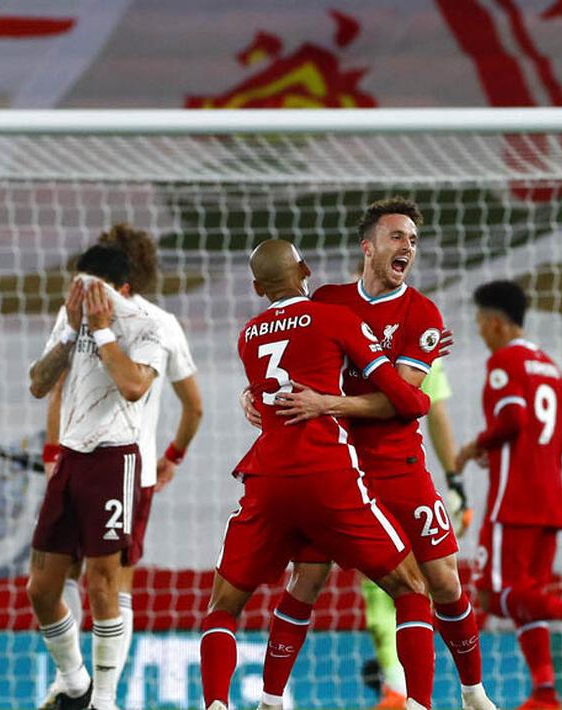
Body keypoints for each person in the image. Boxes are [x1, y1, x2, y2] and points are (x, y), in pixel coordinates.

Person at [244, 198, 494, 710]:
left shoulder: (422, 314)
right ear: (369, 245)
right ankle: (269, 699)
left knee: (442, 580)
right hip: (334, 467)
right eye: (397, 236)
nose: (408, 247)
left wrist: (327, 401)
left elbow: (401, 405)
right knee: (306, 578)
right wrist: (256, 394)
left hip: (396, 465)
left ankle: (473, 693)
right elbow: (285, 361)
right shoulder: (330, 302)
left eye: (413, 241)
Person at [199, 239, 433, 710]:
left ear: (256, 287)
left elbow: (267, 395)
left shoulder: (247, 335)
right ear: (305, 270)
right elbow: (404, 400)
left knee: (227, 605)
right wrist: (418, 399)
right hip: (327, 472)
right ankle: (419, 704)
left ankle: (234, 703)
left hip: (266, 478)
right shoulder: (334, 319)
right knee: (411, 587)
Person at [40, 225, 203, 703]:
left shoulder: (135, 323)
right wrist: (173, 456)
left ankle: (77, 683)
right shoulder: (159, 322)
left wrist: (54, 457)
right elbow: (193, 407)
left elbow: (58, 390)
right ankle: (90, 689)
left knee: (74, 575)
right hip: (134, 471)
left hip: (96, 463)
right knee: (111, 582)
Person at [27, 244, 166, 710]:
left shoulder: (149, 326)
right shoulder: (69, 320)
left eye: (91, 287)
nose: (81, 295)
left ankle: (104, 701)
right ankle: (75, 682)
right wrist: (69, 334)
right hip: (70, 458)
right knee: (42, 588)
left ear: (118, 289)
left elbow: (132, 387)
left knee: (104, 585)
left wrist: (103, 332)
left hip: (114, 460)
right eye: (77, 285)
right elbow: (38, 382)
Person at [454, 280, 562, 710]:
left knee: (491, 594)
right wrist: (517, 447)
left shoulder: (504, 362)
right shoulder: (550, 367)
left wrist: (475, 447)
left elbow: (513, 418)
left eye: (481, 323)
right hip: (551, 501)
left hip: (513, 499)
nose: (480, 332)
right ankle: (544, 693)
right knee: (524, 595)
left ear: (497, 323)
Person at [360, 359, 469, 709]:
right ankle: (417, 691)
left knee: (385, 582)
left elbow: (434, 411)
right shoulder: (422, 338)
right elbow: (435, 412)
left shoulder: (347, 330)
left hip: (360, 477)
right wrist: (454, 481)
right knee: (430, 582)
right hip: (407, 477)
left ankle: (398, 686)